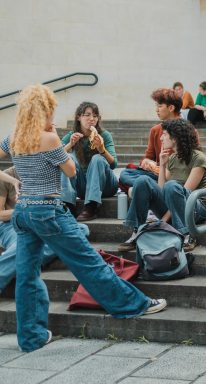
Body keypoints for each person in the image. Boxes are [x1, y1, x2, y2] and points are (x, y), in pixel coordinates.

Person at [0, 84, 165, 352]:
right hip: (48, 211)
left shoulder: (13, 138)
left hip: (23, 213)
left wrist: (13, 181)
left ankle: (31, 338)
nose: (54, 115)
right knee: (88, 263)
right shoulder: (50, 138)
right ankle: (134, 305)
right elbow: (70, 171)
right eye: (51, 110)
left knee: (28, 276)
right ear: (43, 111)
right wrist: (55, 139)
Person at [119, 119, 206, 252]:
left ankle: (186, 234)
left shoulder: (198, 158)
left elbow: (185, 194)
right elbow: (162, 190)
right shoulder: (172, 158)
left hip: (195, 209)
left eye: (165, 134)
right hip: (173, 207)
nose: (161, 138)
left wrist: (162, 221)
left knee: (172, 185)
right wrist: (162, 164)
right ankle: (137, 230)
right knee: (142, 180)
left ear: (175, 138)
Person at [0, 167, 90, 293]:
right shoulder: (6, 176)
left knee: (82, 229)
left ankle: (16, 256)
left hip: (41, 221)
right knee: (21, 245)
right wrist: (26, 208)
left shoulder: (43, 172)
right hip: (11, 224)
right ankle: (14, 257)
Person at [119, 89, 196, 192]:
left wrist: (167, 171)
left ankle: (147, 189)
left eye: (159, 106)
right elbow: (148, 157)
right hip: (158, 176)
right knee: (125, 174)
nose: (156, 110)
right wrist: (147, 162)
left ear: (171, 108)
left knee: (169, 183)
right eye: (156, 106)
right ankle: (151, 188)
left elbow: (194, 161)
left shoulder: (188, 130)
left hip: (178, 177)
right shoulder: (155, 130)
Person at [60, 102, 118, 221]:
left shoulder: (104, 135)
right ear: (78, 117)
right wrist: (70, 144)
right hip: (83, 186)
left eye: (95, 116)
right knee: (68, 157)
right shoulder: (71, 136)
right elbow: (55, 157)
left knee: (97, 158)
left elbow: (113, 164)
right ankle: (68, 206)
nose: (92, 119)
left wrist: (102, 150)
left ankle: (91, 206)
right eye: (87, 115)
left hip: (106, 184)